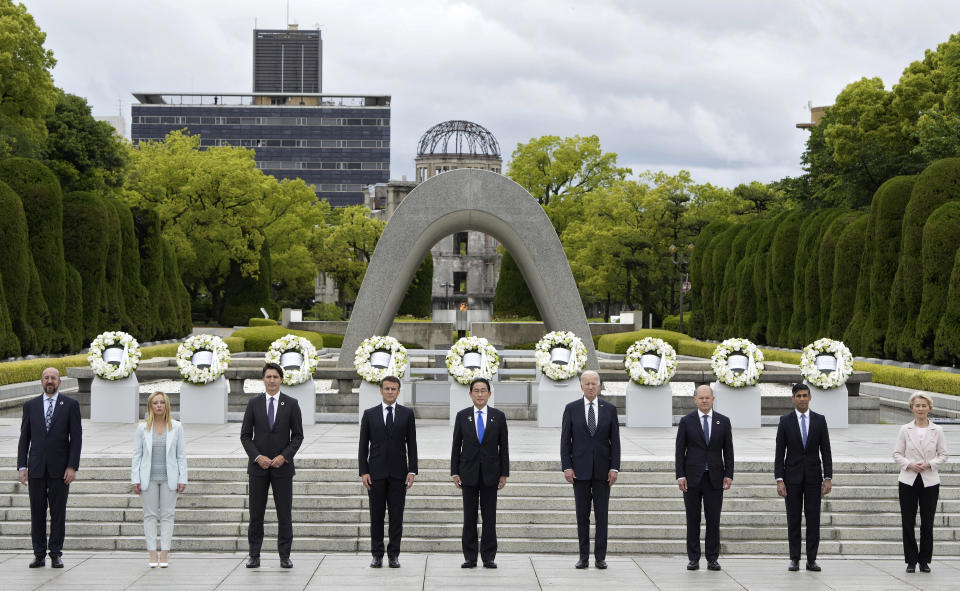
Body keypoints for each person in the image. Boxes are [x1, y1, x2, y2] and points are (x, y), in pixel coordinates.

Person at [240, 363, 304, 569]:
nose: (272, 380)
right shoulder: (254, 403)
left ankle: (285, 556)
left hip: (282, 468)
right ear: (263, 379)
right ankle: (254, 555)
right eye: (268, 376)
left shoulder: (291, 404)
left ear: (281, 380)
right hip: (258, 468)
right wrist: (257, 457)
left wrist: (284, 457)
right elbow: (245, 436)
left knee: (284, 514)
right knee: (255, 514)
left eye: (275, 377)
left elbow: (298, 436)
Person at [17, 367, 82, 569]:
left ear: (59, 382)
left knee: (58, 513)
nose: (50, 381)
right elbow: (24, 439)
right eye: (46, 378)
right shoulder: (31, 405)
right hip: (35, 468)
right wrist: (22, 466)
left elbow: (76, 439)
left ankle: (55, 554)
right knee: (37, 513)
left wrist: (72, 466)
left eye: (53, 378)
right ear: (42, 381)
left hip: (60, 469)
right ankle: (38, 555)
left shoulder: (70, 405)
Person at [560, 370, 620, 570]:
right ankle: (583, 557)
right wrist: (567, 466)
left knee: (602, 516)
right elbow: (565, 441)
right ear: (581, 386)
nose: (591, 387)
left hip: (603, 472)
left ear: (599, 385)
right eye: (587, 383)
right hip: (580, 471)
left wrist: (614, 468)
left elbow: (616, 443)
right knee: (582, 516)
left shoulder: (609, 409)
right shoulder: (571, 409)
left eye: (594, 383)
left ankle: (600, 557)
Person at [359, 375, 418, 568]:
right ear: (381, 391)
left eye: (393, 389)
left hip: (399, 474)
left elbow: (412, 444)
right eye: (387, 388)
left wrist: (412, 471)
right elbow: (362, 446)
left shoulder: (407, 414)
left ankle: (394, 555)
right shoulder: (370, 414)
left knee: (396, 516)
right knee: (376, 516)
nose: (390, 392)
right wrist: (363, 471)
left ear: (399, 391)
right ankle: (377, 555)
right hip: (375, 474)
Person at [451, 377, 509, 569]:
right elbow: (456, 446)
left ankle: (489, 556)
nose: (480, 394)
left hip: (491, 474)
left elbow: (504, 447)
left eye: (483, 390)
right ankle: (469, 556)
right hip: (468, 473)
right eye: (476, 391)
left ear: (489, 394)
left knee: (489, 516)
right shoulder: (462, 416)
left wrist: (504, 473)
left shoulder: (498, 416)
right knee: (469, 516)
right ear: (470, 394)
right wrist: (454, 472)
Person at [774, 383, 832, 572]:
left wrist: (828, 477)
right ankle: (794, 559)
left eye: (805, 395)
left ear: (810, 398)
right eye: (798, 396)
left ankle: (812, 559)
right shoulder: (785, 421)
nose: (802, 399)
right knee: (793, 520)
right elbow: (779, 453)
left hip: (814, 478)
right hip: (792, 478)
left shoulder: (820, 420)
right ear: (793, 398)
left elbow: (826, 451)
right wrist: (779, 479)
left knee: (813, 519)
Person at [675, 384, 733, 571]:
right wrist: (680, 475)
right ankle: (693, 558)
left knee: (713, 520)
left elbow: (728, 451)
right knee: (693, 519)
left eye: (707, 397)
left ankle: (712, 558)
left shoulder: (723, 421)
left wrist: (729, 474)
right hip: (692, 478)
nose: (704, 400)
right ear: (695, 400)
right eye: (701, 398)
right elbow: (679, 451)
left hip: (715, 478)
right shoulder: (687, 421)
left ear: (713, 399)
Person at [131, 392, 187, 567]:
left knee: (168, 515)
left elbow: (181, 455)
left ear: (167, 405)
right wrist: (135, 478)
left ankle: (164, 553)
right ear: (150, 406)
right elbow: (137, 455)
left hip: (170, 478)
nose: (159, 406)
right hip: (148, 478)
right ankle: (152, 553)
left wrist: (182, 477)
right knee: (149, 516)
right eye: (155, 403)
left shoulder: (176, 427)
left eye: (162, 402)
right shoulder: (142, 428)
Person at [893, 392, 948, 573]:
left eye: (924, 406)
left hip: (930, 481)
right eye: (917, 405)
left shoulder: (937, 430)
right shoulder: (905, 429)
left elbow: (943, 455)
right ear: (912, 408)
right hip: (908, 480)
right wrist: (909, 464)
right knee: (907, 522)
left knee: (927, 522)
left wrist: (929, 464)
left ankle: (924, 560)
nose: (921, 409)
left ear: (929, 408)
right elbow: (897, 454)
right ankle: (911, 560)